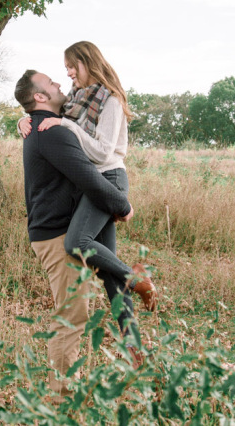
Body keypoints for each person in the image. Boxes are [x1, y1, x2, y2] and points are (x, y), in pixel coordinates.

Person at [14, 69, 141, 393]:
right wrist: (122, 205)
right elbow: (88, 176)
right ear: (40, 96)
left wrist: (24, 117)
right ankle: (61, 398)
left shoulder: (48, 125)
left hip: (66, 223)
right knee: (72, 318)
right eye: (51, 83)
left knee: (108, 282)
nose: (59, 83)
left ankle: (136, 352)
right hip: (57, 236)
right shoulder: (50, 132)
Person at [18, 42, 157, 322]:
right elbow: (49, 110)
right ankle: (133, 346)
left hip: (108, 177)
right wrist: (24, 118)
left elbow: (103, 152)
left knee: (78, 243)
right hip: (91, 182)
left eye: (72, 65)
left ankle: (137, 278)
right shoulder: (78, 97)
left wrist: (66, 126)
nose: (67, 72)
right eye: (66, 66)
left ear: (87, 62)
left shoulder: (111, 100)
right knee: (108, 274)